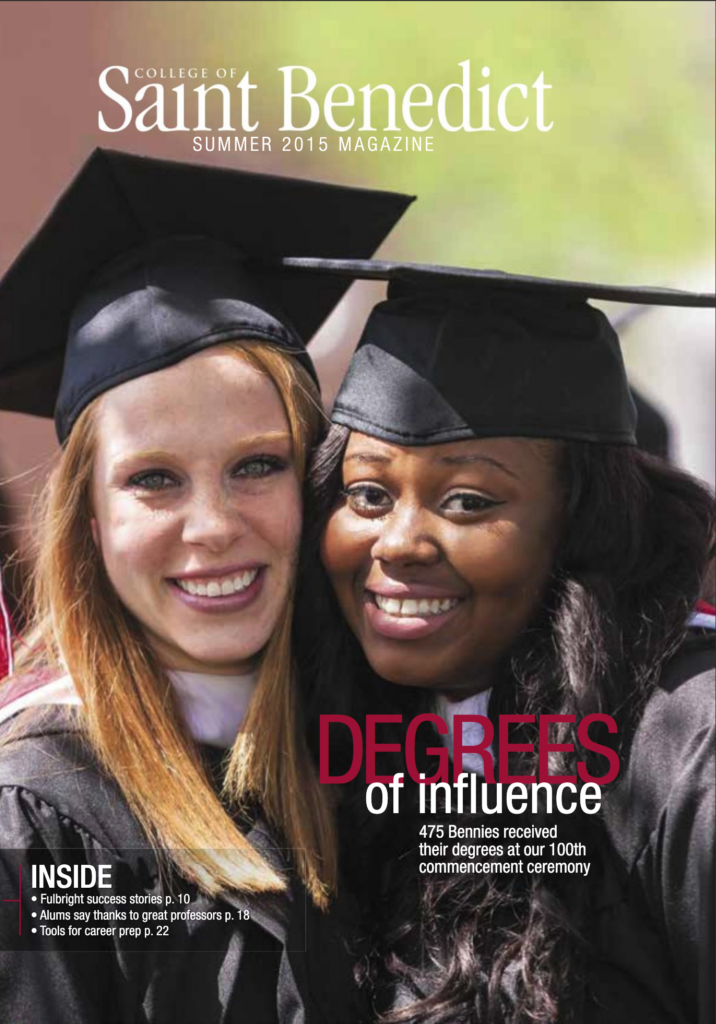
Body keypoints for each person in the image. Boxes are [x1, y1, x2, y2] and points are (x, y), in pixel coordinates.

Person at [0, 149, 412, 1023]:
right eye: (154, 480)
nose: (213, 526)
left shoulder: (366, 750)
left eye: (257, 466)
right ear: (88, 522)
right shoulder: (25, 817)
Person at [291, 261, 716, 1024]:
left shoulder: (689, 748)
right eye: (367, 494)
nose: (399, 542)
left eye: (467, 501)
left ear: (578, 526)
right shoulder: (339, 740)